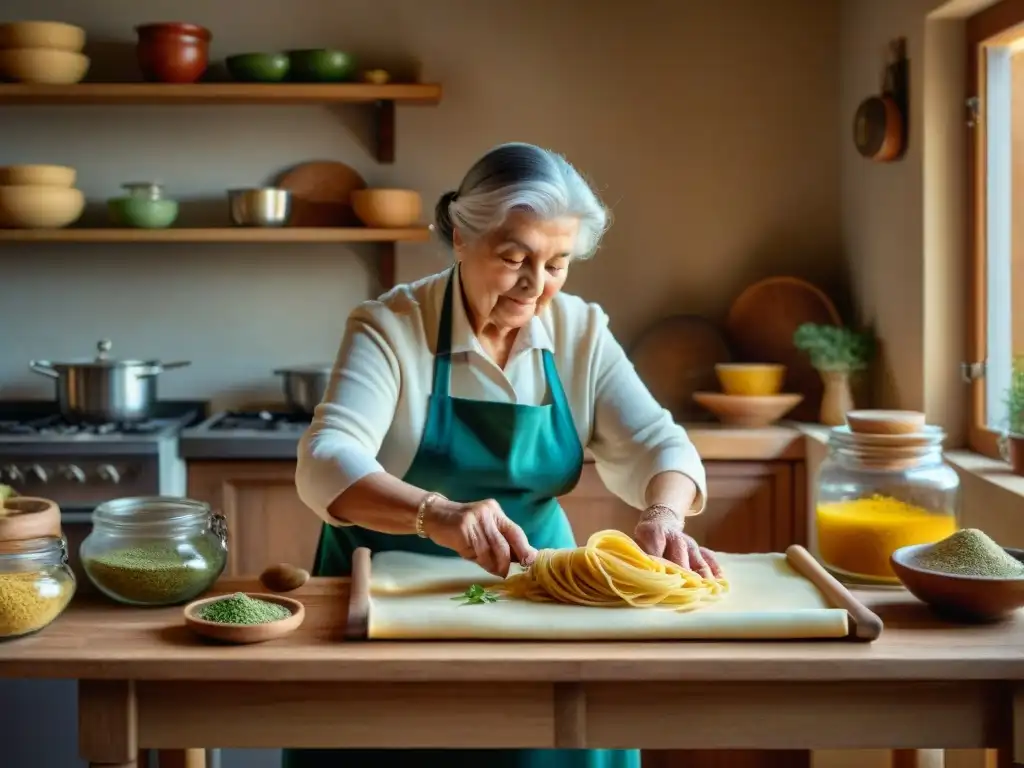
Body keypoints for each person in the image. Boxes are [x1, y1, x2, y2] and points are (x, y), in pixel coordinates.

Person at [286, 142, 720, 768]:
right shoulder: (391, 326)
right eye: (515, 257)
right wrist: (434, 513)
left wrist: (664, 513)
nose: (534, 286)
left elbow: (660, 444)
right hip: (385, 605)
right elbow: (327, 459)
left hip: (535, 592)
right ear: (461, 236)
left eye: (557, 264)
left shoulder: (581, 332)